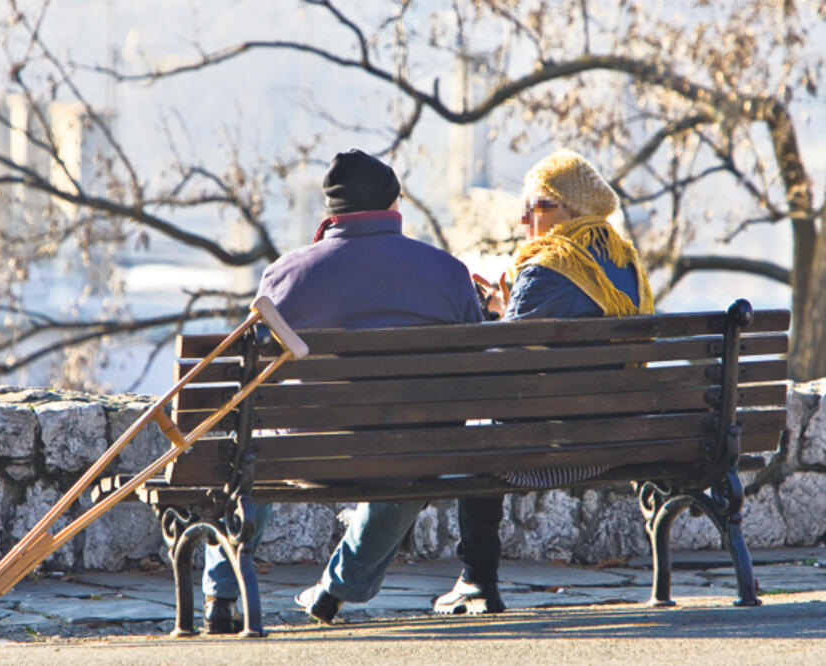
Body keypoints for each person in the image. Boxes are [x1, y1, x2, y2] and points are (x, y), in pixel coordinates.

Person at [202, 148, 483, 632]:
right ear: (394, 207)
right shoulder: (447, 273)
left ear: (332, 212)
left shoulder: (286, 274)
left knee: (251, 448)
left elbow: (252, 378)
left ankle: (222, 598)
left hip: (303, 453)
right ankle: (338, 590)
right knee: (407, 456)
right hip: (410, 454)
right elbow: (478, 372)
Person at [433, 148, 655, 615]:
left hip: (551, 442)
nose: (522, 218)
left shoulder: (548, 264)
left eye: (536, 205)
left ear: (571, 210)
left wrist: (491, 320)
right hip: (620, 435)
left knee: (478, 435)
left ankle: (477, 579)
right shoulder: (625, 262)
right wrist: (509, 309)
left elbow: (504, 368)